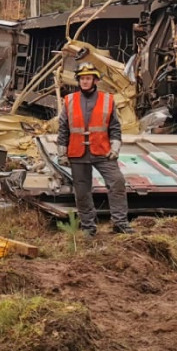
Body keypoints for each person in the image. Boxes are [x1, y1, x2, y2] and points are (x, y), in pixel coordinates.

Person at [57, 61, 132, 235]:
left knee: (117, 182)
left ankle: (120, 223)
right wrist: (62, 153)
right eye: (82, 78)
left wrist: (115, 148)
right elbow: (63, 129)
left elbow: (114, 127)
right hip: (77, 153)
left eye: (88, 78)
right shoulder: (69, 100)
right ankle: (88, 227)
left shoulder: (107, 100)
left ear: (95, 80)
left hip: (103, 151)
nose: (84, 81)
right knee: (82, 192)